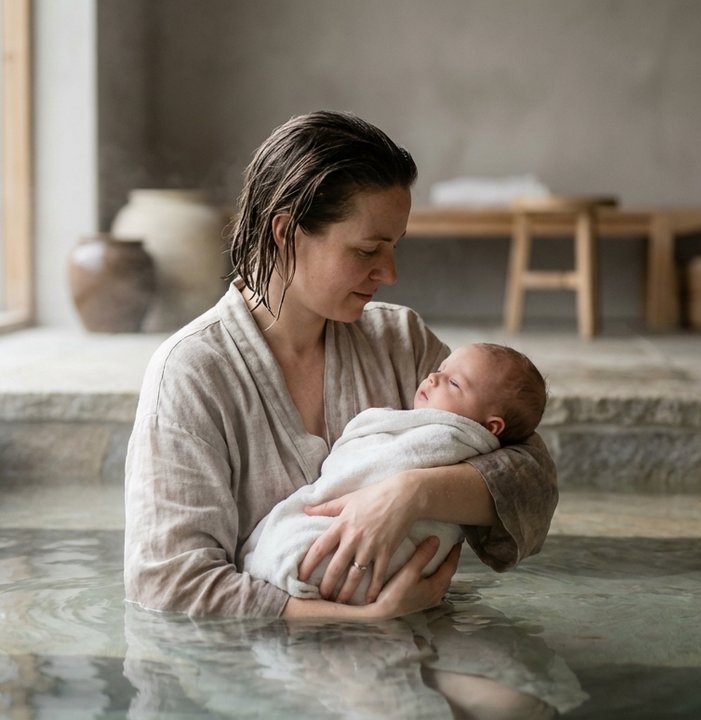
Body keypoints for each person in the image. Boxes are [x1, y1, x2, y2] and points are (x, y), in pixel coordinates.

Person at [123, 110, 559, 621]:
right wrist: (363, 620)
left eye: (394, 247)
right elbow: (168, 583)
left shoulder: (401, 342)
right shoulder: (192, 374)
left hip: (410, 631)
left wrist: (409, 494)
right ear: (286, 232)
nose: (389, 273)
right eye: (367, 250)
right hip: (257, 649)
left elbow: (532, 481)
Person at [242, 343, 547, 604]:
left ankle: (289, 561)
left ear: (490, 427)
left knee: (299, 554)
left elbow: (530, 478)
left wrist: (411, 490)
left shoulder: (454, 439)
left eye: (454, 383)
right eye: (440, 369)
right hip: (360, 593)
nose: (433, 377)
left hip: (390, 563)